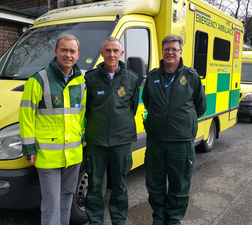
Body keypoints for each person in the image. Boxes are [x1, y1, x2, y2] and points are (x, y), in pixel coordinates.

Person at [19, 34, 86, 225]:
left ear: (78, 55)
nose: (68, 55)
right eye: (64, 50)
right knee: (51, 203)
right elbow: (26, 115)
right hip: (47, 155)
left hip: (72, 154)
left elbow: (81, 115)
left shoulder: (81, 83)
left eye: (72, 51)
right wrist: (29, 148)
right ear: (56, 51)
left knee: (66, 198)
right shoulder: (38, 80)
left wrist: (81, 139)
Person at [142, 34, 207, 225]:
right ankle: (159, 218)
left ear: (180, 52)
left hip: (182, 143)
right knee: (154, 184)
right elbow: (147, 101)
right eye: (167, 49)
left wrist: (181, 121)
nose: (170, 52)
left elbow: (200, 106)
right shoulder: (152, 76)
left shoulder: (192, 76)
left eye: (174, 49)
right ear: (162, 52)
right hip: (156, 141)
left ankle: (173, 221)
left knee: (179, 185)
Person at [84, 37, 139, 225]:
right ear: (102, 54)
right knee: (94, 185)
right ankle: (95, 222)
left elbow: (132, 108)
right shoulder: (90, 78)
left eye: (115, 51)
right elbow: (87, 108)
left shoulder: (132, 79)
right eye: (107, 51)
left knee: (120, 186)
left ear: (121, 54)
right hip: (96, 141)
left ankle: (119, 221)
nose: (112, 54)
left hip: (121, 141)